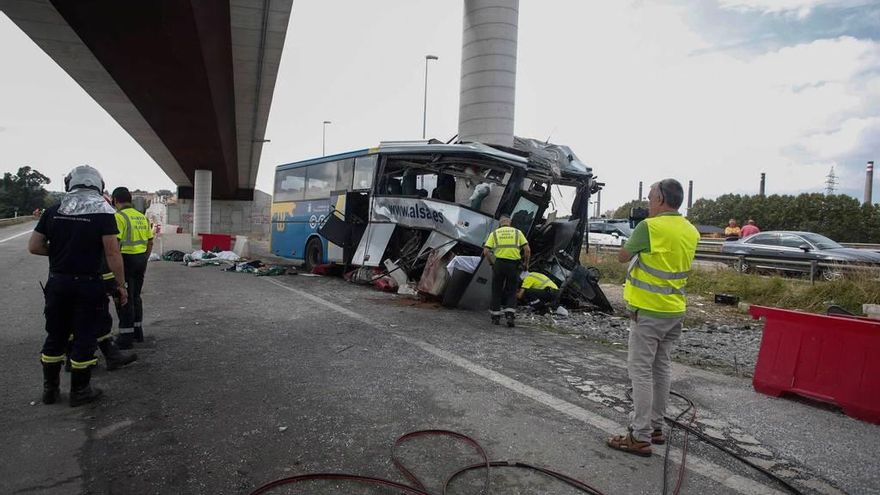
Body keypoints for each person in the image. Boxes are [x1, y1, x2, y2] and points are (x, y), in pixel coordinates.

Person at [606, 179, 699, 457]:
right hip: (674, 310)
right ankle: (656, 427)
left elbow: (623, 257)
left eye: (649, 198)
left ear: (660, 198)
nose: (647, 204)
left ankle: (639, 435)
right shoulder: (690, 230)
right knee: (661, 369)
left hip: (648, 312)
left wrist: (636, 233)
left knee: (641, 372)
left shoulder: (649, 227)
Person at [28, 165, 128, 407]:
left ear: (69, 184)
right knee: (84, 336)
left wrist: (61, 253)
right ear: (98, 186)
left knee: (56, 335)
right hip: (87, 284)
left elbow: (34, 246)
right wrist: (120, 285)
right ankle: (80, 391)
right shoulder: (104, 214)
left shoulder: (53, 211)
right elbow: (112, 253)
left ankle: (50, 391)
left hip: (58, 282)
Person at [111, 187, 154, 349]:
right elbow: (150, 242)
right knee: (136, 296)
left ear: (115, 200)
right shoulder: (142, 217)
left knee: (123, 298)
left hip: (125, 261)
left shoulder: (119, 217)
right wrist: (145, 258)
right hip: (141, 259)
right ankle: (137, 331)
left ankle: (125, 337)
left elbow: (114, 245)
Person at [483, 214, 530, 327]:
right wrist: (526, 264)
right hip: (513, 265)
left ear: (500, 223)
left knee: (496, 290)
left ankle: (495, 317)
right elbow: (527, 250)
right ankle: (510, 316)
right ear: (510, 222)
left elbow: (486, 251)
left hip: (499, 264)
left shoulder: (494, 233)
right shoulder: (517, 233)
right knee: (512, 290)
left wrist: (491, 263)